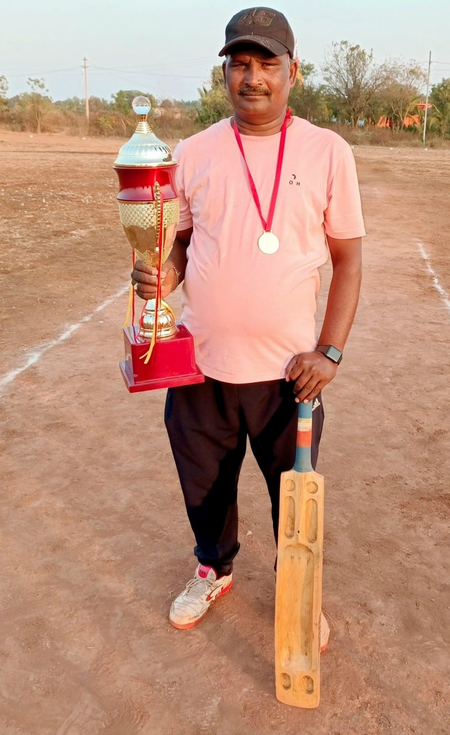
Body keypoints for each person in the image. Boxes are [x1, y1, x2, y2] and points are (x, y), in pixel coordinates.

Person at [132, 7, 365, 642]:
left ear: (293, 70)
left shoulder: (327, 151)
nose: (253, 77)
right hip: (200, 365)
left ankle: (298, 586)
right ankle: (213, 568)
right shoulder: (193, 152)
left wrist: (330, 352)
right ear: (225, 74)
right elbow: (181, 243)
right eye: (240, 64)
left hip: (290, 376)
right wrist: (165, 275)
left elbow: (348, 259)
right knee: (204, 486)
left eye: (267, 63)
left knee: (293, 496)